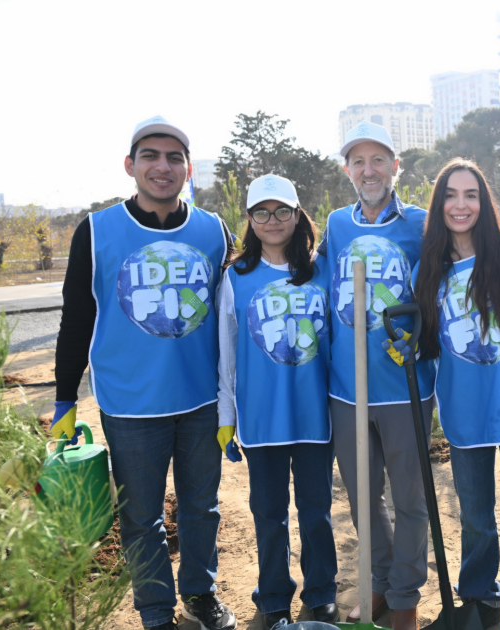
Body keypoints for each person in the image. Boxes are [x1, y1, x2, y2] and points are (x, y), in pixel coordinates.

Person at [52, 116, 236, 630]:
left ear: (188, 169)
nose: (163, 166)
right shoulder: (97, 230)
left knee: (202, 507)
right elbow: (76, 318)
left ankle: (200, 594)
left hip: (201, 402)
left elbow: (233, 315)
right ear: (130, 166)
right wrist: (65, 399)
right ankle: (155, 612)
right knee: (141, 519)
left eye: (174, 157)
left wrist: (234, 399)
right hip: (130, 405)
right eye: (151, 156)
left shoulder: (214, 230)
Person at [408, 159, 500, 629]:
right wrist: (407, 347)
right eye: (450, 195)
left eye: (471, 194)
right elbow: (429, 346)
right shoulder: (427, 270)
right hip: (464, 413)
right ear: (439, 203)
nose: (460, 204)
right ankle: (479, 599)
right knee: (476, 517)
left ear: (483, 201)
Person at [317, 121, 436, 630]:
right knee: (364, 499)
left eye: (378, 160)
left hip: (405, 387)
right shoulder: (337, 225)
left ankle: (405, 600)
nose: (369, 170)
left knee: (409, 499)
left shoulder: (421, 225)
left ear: (395, 166)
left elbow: (451, 284)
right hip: (347, 390)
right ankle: (381, 584)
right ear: (348, 170)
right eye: (359, 162)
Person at [215, 174, 339, 629]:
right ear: (249, 219)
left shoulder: (319, 270)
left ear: (297, 215)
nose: (273, 220)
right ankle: (272, 597)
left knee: (316, 513)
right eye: (262, 212)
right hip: (260, 418)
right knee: (268, 514)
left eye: (282, 211)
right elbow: (226, 355)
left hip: (313, 416)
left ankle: (321, 591)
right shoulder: (236, 277)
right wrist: (226, 416)